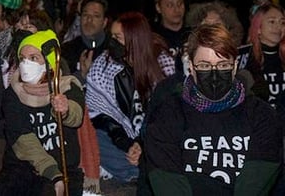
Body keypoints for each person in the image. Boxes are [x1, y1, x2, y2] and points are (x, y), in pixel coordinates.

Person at [144, 24, 282, 194]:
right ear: (192, 68)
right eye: (204, 65)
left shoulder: (262, 115)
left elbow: (255, 184)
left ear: (235, 66)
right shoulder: (167, 114)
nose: (214, 75)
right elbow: (167, 181)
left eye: (223, 65)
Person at [85, 11, 175, 184]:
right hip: (119, 139)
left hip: (154, 139)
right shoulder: (103, 64)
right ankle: (136, 171)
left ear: (134, 39)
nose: (112, 42)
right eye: (112, 36)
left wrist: (142, 143)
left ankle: (131, 170)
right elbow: (97, 114)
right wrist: (126, 143)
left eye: (117, 37)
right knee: (89, 136)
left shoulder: (162, 62)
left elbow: (166, 116)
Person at [0, 30, 85, 196]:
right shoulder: (13, 94)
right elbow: (23, 140)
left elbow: (77, 116)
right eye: (22, 59)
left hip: (65, 170)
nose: (26, 64)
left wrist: (65, 110)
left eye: (33, 58)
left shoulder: (66, 86)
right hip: (23, 171)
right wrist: (52, 174)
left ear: (48, 62)